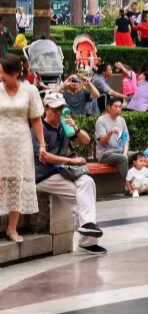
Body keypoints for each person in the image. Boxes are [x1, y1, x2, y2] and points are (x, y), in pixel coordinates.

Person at [33, 92, 106, 254]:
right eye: (55, 110)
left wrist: (76, 128)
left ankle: (87, 230)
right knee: (82, 198)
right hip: (44, 175)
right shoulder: (39, 128)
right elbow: (44, 157)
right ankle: (88, 242)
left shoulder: (64, 127)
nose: (59, 113)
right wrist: (71, 161)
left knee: (87, 182)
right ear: (46, 109)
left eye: (61, 109)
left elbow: (86, 140)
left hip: (62, 172)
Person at [1, 53, 46, 243]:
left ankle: (12, 229)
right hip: (1, 141)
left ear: (14, 73)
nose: (0, 76)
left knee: (17, 184)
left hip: (21, 143)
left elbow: (36, 120)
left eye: (3, 72)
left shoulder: (30, 91)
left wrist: (42, 145)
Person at [95, 98, 135, 183]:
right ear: (108, 108)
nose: (118, 109)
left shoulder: (121, 120)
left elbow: (125, 141)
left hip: (119, 152)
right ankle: (129, 185)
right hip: (105, 154)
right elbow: (102, 141)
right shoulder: (101, 120)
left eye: (120, 107)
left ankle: (141, 182)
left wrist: (125, 153)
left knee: (138, 155)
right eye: (115, 107)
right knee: (123, 159)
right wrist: (110, 132)